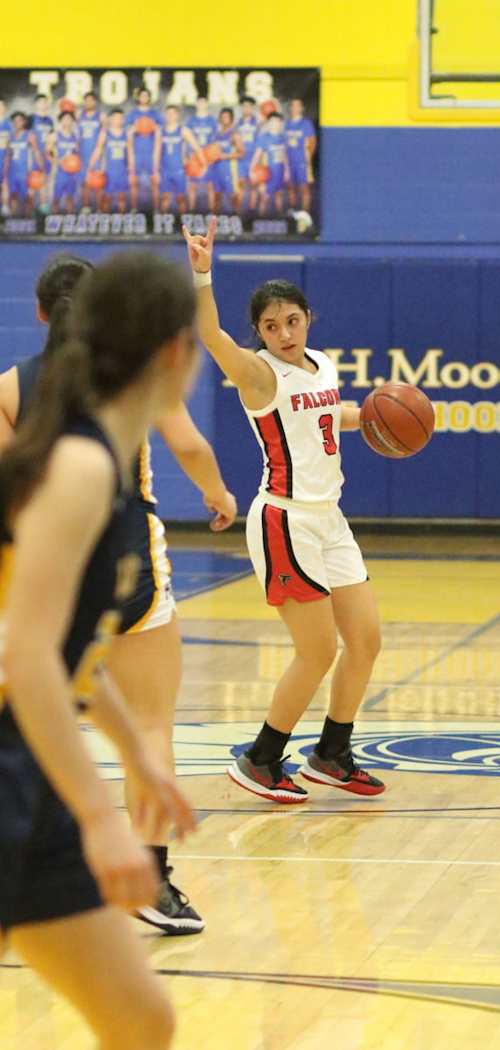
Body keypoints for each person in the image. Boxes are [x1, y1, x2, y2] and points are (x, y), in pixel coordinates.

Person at [0, 253, 237, 932]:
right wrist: (219, 494)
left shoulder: (14, 390)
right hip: (119, 565)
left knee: (144, 1021)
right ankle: (153, 876)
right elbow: (34, 652)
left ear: (43, 313)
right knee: (152, 717)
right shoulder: (90, 460)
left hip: (64, 580)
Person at [183, 219, 384, 803]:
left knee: (365, 641)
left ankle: (331, 753)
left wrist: (370, 416)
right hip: (284, 520)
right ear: (260, 334)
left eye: (291, 320)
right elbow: (211, 334)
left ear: (307, 320)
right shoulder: (256, 373)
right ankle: (261, 758)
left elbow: (323, 415)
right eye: (270, 326)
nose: (283, 332)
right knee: (317, 650)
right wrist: (201, 273)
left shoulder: (320, 364)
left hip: (330, 518)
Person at [159, 105, 204, 215]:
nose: (170, 116)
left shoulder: (183, 130)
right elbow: (156, 151)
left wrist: (204, 163)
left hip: (179, 169)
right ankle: (163, 225)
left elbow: (196, 147)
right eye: (168, 113)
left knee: (181, 198)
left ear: (177, 115)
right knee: (165, 198)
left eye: (173, 113)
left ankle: (183, 225)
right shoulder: (160, 131)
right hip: (165, 169)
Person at [126, 86, 162, 211]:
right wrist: (135, 128)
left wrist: (153, 127)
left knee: (155, 181)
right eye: (142, 95)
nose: (144, 98)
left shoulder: (154, 114)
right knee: (134, 181)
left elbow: (160, 132)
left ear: (149, 98)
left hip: (151, 152)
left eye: (146, 96)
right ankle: (134, 208)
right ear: (138, 97)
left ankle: (156, 208)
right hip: (137, 152)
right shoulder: (133, 114)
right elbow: (127, 134)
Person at [89, 108, 129, 214]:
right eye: (115, 118)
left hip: (122, 170)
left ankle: (122, 222)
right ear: (111, 119)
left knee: (122, 197)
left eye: (120, 118)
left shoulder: (126, 133)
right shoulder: (105, 133)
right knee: (107, 198)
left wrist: (131, 168)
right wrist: (91, 166)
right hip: (108, 171)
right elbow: (98, 149)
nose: (118, 120)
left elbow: (130, 152)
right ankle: (105, 220)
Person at [250, 112, 289, 216]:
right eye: (272, 122)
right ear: (268, 123)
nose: (274, 124)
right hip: (267, 173)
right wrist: (251, 170)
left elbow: (284, 155)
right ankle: (259, 218)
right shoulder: (264, 137)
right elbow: (257, 155)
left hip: (279, 172)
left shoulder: (282, 138)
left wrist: (287, 170)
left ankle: (280, 217)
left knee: (279, 194)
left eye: (277, 122)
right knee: (264, 198)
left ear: (280, 123)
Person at [4, 112, 42, 217]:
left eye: (19, 120)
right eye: (15, 121)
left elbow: (36, 151)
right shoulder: (10, 136)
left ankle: (28, 217)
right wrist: (5, 171)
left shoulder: (29, 135)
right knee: (13, 195)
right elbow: (8, 155)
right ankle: (13, 217)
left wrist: (41, 167)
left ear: (24, 122)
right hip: (13, 171)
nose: (17, 123)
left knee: (27, 197)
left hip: (25, 171)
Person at [186, 96, 217, 213]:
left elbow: (214, 141)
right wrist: (188, 156)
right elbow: (187, 139)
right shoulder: (191, 121)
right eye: (199, 102)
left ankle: (211, 212)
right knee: (192, 185)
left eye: (204, 102)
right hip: (194, 157)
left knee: (210, 185)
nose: (201, 105)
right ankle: (191, 211)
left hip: (208, 156)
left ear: (207, 104)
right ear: (196, 104)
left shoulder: (212, 121)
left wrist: (211, 157)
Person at [285, 98, 316, 213]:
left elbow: (312, 142)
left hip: (302, 162)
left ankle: (305, 214)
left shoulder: (306, 123)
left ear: (302, 108)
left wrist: (307, 159)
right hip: (289, 161)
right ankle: (292, 211)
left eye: (298, 106)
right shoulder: (286, 124)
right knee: (290, 187)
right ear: (290, 108)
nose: (295, 108)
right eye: (293, 105)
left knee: (304, 188)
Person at [49, 109, 81, 213]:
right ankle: (54, 219)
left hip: (72, 173)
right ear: (60, 121)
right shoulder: (55, 135)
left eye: (69, 119)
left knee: (70, 198)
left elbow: (77, 153)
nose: (67, 121)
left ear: (73, 121)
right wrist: (58, 161)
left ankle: (69, 220)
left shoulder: (75, 136)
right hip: (59, 172)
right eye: (65, 119)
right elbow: (48, 152)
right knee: (56, 198)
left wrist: (75, 164)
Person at [78, 91, 104, 209]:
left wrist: (100, 152)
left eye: (91, 100)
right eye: (86, 100)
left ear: (95, 102)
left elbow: (105, 134)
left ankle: (99, 208)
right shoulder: (79, 115)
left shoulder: (101, 116)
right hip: (82, 152)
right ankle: (85, 207)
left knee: (98, 182)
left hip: (96, 152)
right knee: (84, 182)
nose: (88, 102)